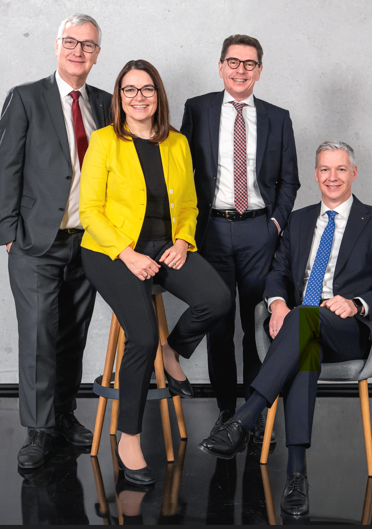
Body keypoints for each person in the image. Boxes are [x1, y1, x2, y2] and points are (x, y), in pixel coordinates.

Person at [198, 141, 372, 518]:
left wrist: (356, 303)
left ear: (353, 173)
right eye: (325, 169)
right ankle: (296, 477)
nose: (332, 177)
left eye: (340, 169)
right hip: (301, 327)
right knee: (304, 337)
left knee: (304, 319)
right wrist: (277, 304)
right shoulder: (298, 220)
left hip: (346, 330)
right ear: (315, 174)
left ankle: (245, 417)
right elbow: (277, 273)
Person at [80, 60, 231, 486]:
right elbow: (89, 211)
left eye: (146, 89)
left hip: (166, 247)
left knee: (218, 299)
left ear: (158, 95)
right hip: (111, 252)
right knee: (142, 337)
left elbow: (190, 205)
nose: (139, 97)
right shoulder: (104, 141)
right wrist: (128, 255)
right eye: (129, 90)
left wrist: (183, 241)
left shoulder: (177, 142)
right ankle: (129, 437)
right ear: (119, 97)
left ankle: (173, 351)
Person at [0, 14, 112, 470]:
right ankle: (39, 430)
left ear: (97, 54)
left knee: (72, 336)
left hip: (89, 243)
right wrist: (9, 234)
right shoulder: (26, 98)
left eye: (88, 45)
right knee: (38, 336)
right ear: (57, 46)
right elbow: (5, 167)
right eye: (71, 42)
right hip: (36, 242)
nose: (79, 51)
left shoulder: (105, 104)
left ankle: (62, 415)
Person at [180, 35, 300, 443]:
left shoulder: (277, 118)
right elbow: (180, 171)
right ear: (220, 66)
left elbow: (289, 181)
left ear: (259, 71)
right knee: (218, 323)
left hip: (258, 231)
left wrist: (275, 225)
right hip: (211, 229)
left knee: (258, 324)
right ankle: (226, 412)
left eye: (249, 64)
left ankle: (254, 411)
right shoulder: (197, 109)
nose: (240, 70)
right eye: (233, 62)